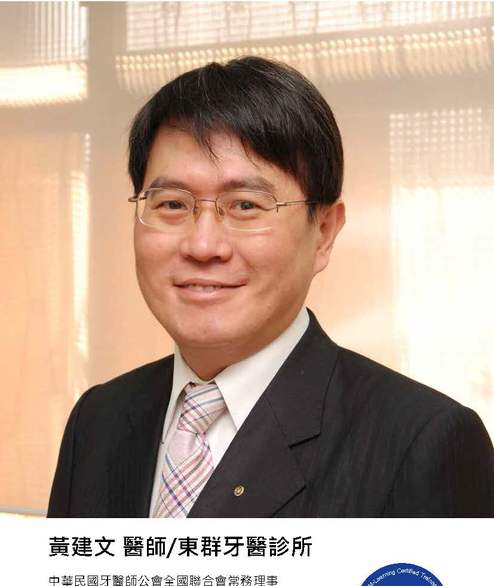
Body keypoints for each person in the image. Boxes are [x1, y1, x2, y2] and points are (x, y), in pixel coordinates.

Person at [47, 55, 494, 518]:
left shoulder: (422, 442)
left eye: (245, 205)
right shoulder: (97, 421)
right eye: (173, 204)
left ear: (323, 232)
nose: (203, 245)